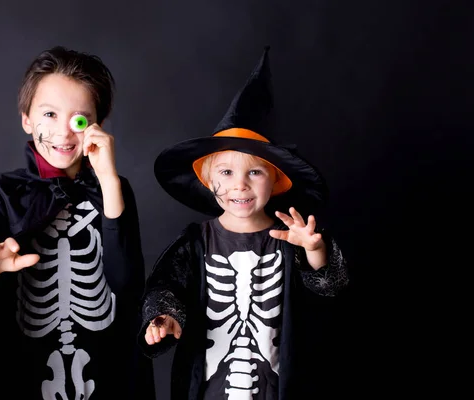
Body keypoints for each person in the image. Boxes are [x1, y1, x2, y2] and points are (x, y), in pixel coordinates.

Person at [0, 45, 154, 400]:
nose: (64, 132)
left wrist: (109, 183)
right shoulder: (7, 190)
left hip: (105, 370)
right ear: (26, 118)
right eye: (50, 114)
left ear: (98, 124)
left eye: (80, 119)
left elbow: (127, 284)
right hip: (25, 368)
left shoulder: (113, 189)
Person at [138, 46, 349, 400]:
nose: (240, 184)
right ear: (208, 181)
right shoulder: (195, 241)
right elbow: (165, 287)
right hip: (207, 391)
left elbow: (330, 287)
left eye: (255, 171)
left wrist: (314, 250)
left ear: (277, 180)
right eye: (226, 172)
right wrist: (166, 318)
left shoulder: (291, 237)